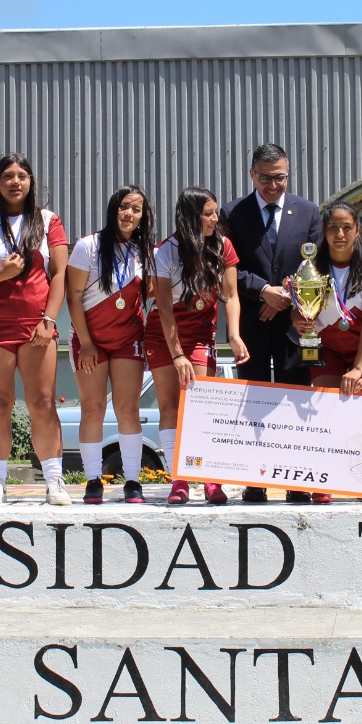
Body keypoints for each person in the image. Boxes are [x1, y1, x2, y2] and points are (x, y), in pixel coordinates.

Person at [0, 154, 69, 505]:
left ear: (31, 181)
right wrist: (0, 274)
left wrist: (49, 320)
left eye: (21, 175)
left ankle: (54, 480)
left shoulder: (49, 221)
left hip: (37, 326)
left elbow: (61, 275)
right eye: (7, 176)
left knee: (42, 402)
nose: (15, 182)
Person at [225, 143, 322, 501]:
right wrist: (263, 291)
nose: (273, 185)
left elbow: (313, 267)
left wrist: (282, 298)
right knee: (254, 403)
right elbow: (228, 268)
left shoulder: (309, 212)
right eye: (265, 178)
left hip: (294, 323)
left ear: (288, 173)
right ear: (252, 174)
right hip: (250, 320)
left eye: (279, 177)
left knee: (294, 399)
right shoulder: (233, 212)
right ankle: (255, 480)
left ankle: (297, 480)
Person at [146, 186, 250, 505]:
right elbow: (163, 308)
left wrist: (233, 334)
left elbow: (231, 296)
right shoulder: (166, 251)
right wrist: (177, 354)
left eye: (216, 212)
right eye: (208, 213)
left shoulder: (223, 245)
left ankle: (210, 479)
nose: (215, 218)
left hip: (201, 335)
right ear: (191, 216)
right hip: (165, 335)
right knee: (170, 407)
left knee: (200, 405)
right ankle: (179, 479)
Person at [290, 201, 362, 503]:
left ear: (357, 231)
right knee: (326, 412)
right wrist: (301, 323)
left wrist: (360, 368)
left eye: (347, 227)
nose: (340, 234)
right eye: (333, 227)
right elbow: (299, 311)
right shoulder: (310, 266)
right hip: (327, 347)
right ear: (324, 231)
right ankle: (324, 479)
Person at [69, 185, 157, 504]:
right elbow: (73, 297)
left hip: (128, 340)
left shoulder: (146, 253)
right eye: (123, 206)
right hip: (89, 341)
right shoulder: (88, 246)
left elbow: (151, 294)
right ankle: (93, 480)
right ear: (112, 209)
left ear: (143, 216)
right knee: (93, 408)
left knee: (127, 409)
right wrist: (88, 343)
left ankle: (133, 481)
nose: (129, 214)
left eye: (136, 209)